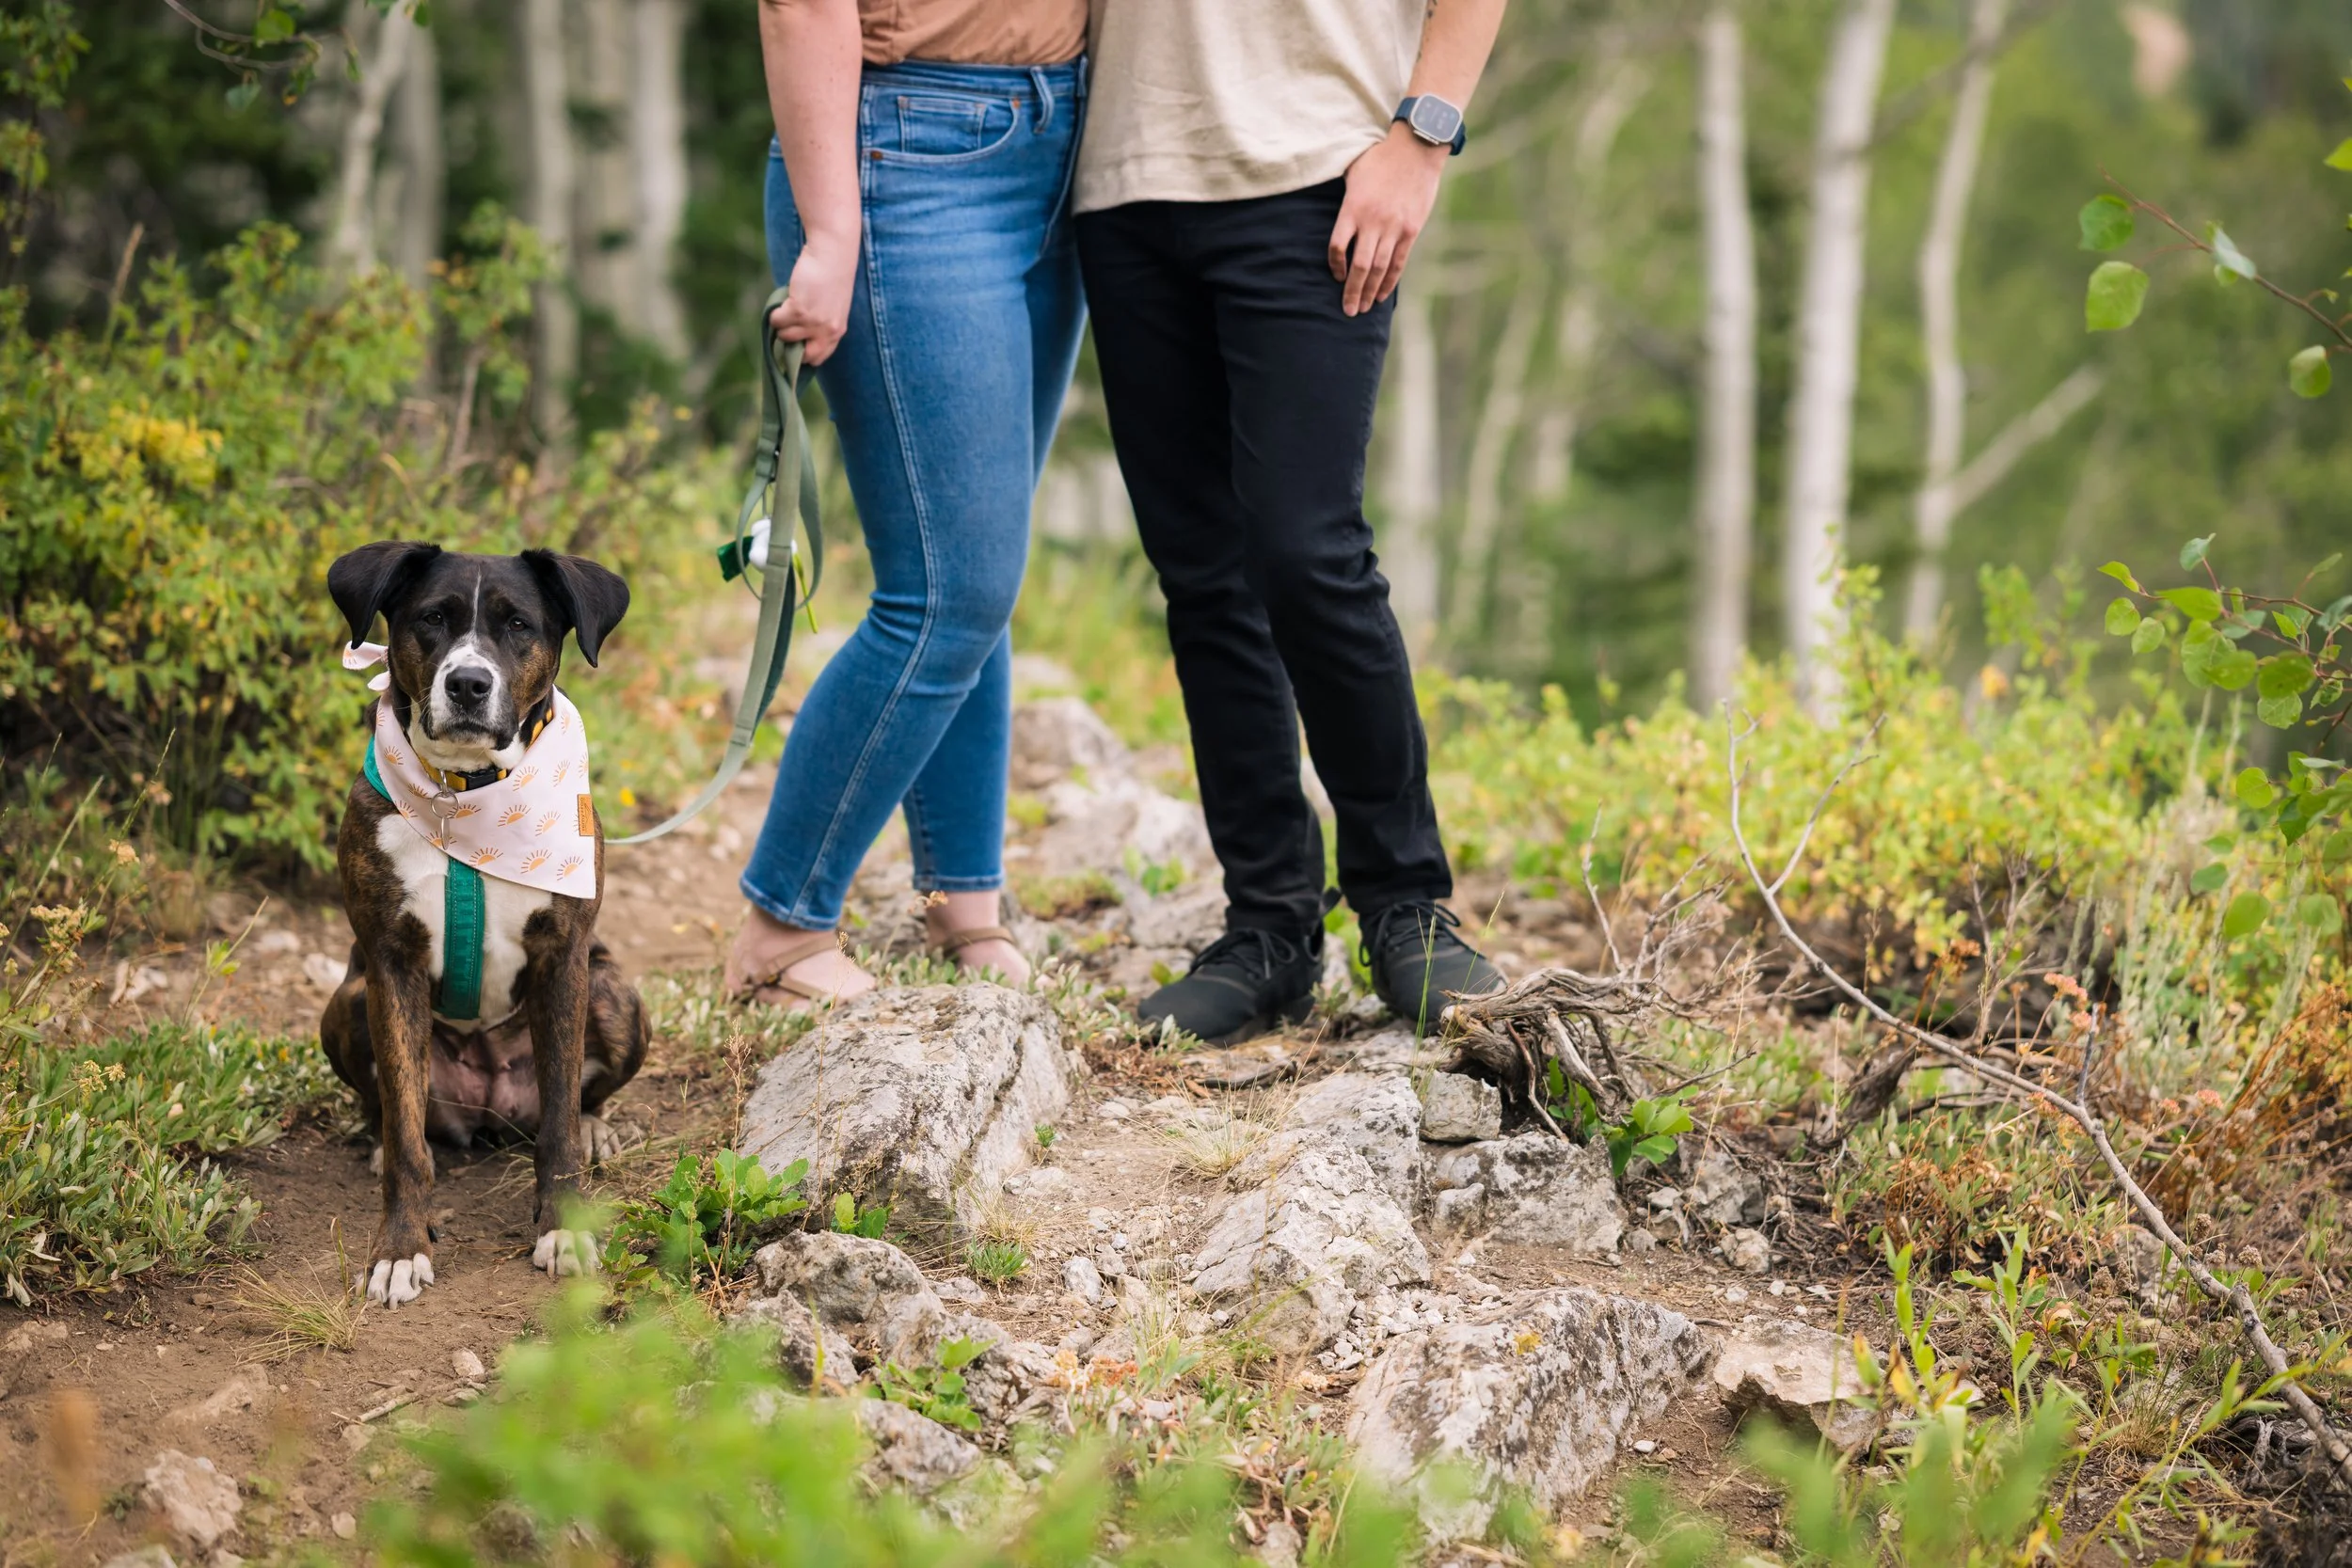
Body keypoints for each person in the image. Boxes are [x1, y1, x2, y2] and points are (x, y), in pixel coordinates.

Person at [1074, 0, 1510, 1041]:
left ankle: (1406, 902)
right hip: (1122, 179)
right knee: (1204, 575)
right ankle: (1270, 928)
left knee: (1305, 549)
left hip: (1323, 164)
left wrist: (1422, 136)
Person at [725, 0, 1086, 1007]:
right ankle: (781, 927)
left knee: (979, 570)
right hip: (907, 149)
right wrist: (832, 228)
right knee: (946, 590)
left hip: (1066, 136)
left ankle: (960, 897)